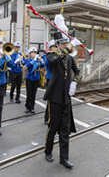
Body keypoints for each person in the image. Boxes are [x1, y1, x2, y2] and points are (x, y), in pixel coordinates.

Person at [44, 31, 80, 169]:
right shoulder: (51, 55)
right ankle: (48, 151)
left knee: (65, 129)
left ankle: (64, 158)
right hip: (54, 97)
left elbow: (77, 71)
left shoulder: (70, 58)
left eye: (67, 43)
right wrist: (70, 45)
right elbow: (56, 60)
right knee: (53, 126)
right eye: (63, 43)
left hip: (66, 98)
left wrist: (74, 82)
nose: (66, 45)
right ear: (57, 44)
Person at [24, 47, 44, 113]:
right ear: (30, 54)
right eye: (32, 53)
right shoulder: (28, 60)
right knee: (29, 94)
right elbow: (28, 65)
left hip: (36, 79)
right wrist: (34, 60)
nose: (34, 54)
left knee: (33, 94)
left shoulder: (38, 61)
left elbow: (43, 65)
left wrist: (40, 60)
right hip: (29, 78)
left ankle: (32, 107)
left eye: (35, 53)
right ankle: (27, 106)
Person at [43, 40, 57, 124]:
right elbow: (47, 63)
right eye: (52, 47)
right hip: (50, 79)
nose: (54, 48)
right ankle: (47, 117)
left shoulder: (58, 55)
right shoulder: (46, 56)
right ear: (49, 48)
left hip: (57, 79)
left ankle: (54, 117)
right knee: (50, 100)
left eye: (55, 47)